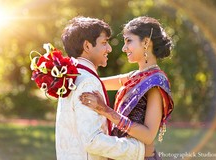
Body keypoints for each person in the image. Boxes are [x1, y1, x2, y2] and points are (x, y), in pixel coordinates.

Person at [80, 16, 174, 160]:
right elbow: (96, 81)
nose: (124, 48)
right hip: (123, 152)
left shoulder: (155, 82)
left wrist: (105, 110)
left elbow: (148, 136)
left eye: (128, 41)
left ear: (146, 42)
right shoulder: (135, 76)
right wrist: (72, 75)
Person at [56, 16, 145, 160]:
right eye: (104, 43)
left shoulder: (72, 77)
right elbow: (92, 141)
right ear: (87, 46)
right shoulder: (87, 82)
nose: (109, 49)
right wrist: (137, 149)